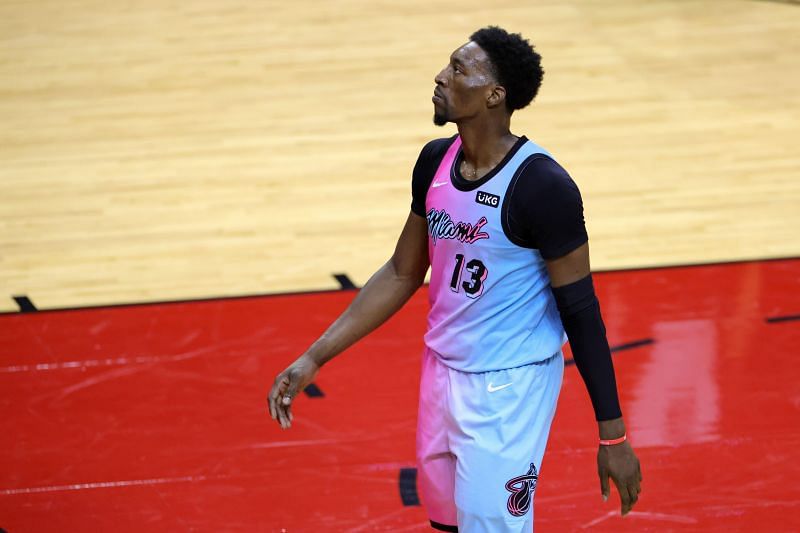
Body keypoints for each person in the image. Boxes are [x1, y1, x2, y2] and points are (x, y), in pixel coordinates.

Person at [268, 26, 642, 532]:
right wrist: (316, 355)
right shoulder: (434, 161)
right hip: (441, 372)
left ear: (495, 94)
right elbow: (403, 271)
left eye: (459, 69)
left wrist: (613, 436)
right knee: (445, 520)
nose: (441, 77)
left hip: (510, 386)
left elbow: (580, 309)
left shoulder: (543, 187)